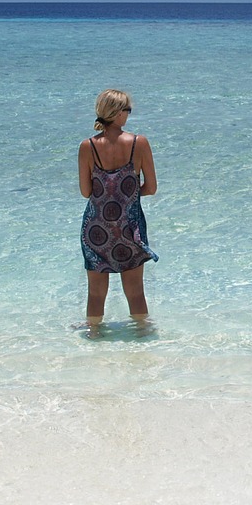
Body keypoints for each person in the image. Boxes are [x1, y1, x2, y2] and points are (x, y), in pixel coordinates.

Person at [77, 89, 158, 329]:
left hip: (96, 227)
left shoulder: (87, 147)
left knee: (95, 294)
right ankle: (143, 336)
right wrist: (128, 195)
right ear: (118, 113)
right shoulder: (138, 143)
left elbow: (86, 192)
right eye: (128, 110)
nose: (129, 114)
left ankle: (94, 337)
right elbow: (151, 188)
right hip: (128, 226)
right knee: (135, 293)